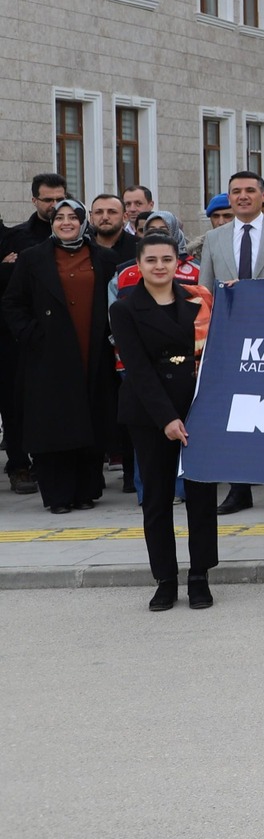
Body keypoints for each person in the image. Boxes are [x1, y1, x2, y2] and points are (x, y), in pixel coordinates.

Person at [108, 233, 217, 611]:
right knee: (156, 499)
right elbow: (137, 369)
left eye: (166, 259)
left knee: (201, 498)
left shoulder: (198, 299)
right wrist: (167, 418)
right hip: (150, 414)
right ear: (138, 265)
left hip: (196, 410)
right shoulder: (124, 308)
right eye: (151, 260)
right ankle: (165, 580)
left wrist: (237, 293)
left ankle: (200, 575)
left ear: (178, 263)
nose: (159, 266)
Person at [0, 199, 117, 515]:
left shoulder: (104, 258)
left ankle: (86, 490)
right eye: (59, 217)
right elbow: (13, 303)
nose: (66, 222)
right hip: (47, 356)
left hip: (91, 351)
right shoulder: (32, 258)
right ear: (51, 224)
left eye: (73, 217)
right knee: (54, 424)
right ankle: (58, 494)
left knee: (89, 419)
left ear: (83, 222)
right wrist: (32, 334)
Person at [196, 171, 264, 514]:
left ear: (263, 196)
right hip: (230, 342)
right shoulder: (214, 238)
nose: (243, 196)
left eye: (250, 190)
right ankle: (238, 490)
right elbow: (205, 292)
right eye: (236, 191)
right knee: (236, 416)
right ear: (229, 197)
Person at [87, 194, 138, 263]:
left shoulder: (140, 247)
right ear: (91, 217)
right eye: (99, 212)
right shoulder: (82, 248)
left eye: (112, 212)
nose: (105, 217)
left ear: (125, 217)